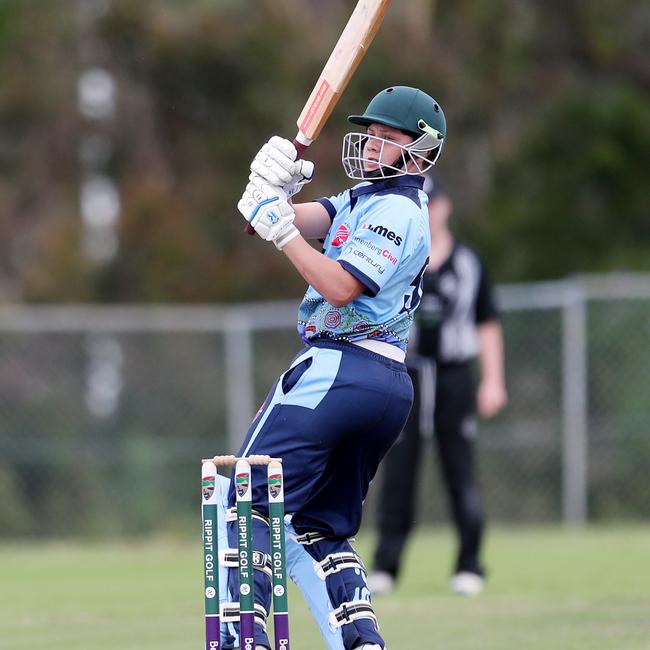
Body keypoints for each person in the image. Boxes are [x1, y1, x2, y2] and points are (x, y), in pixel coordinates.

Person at [222, 86, 446, 650]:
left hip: (339, 369)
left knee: (245, 504)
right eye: (370, 136)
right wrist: (267, 189)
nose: (372, 146)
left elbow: (341, 286)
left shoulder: (397, 209)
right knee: (318, 527)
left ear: (421, 150)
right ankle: (360, 641)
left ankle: (242, 642)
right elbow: (267, 217)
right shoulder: (363, 199)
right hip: (384, 387)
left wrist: (283, 231)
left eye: (387, 139)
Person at [367, 178, 508, 598]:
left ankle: (470, 564)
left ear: (444, 207)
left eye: (431, 204)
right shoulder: (396, 259)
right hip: (404, 375)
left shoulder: (468, 264)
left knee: (460, 469)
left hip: (452, 376)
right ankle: (386, 566)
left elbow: (487, 322)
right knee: (397, 471)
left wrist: (493, 380)